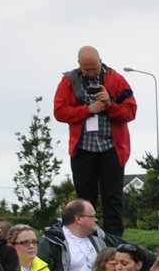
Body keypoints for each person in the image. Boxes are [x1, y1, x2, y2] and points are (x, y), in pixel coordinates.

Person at [52, 46, 138, 237]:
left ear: (101, 62)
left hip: (112, 147)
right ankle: (85, 240)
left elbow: (130, 112)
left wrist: (109, 105)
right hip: (83, 148)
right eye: (86, 70)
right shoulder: (68, 81)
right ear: (79, 66)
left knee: (113, 198)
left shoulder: (116, 79)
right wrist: (88, 110)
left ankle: (115, 241)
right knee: (84, 199)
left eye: (94, 69)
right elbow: (59, 111)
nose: (91, 73)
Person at [38, 198, 126, 271]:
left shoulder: (99, 240)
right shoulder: (52, 242)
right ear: (78, 218)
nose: (96, 220)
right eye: (92, 216)